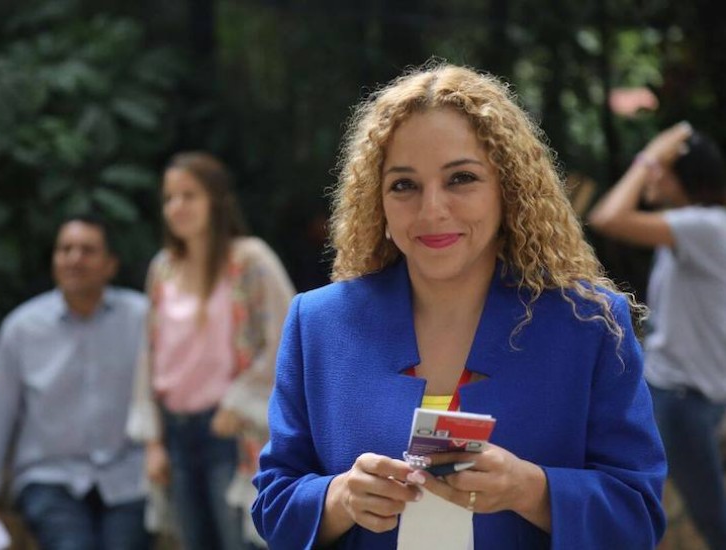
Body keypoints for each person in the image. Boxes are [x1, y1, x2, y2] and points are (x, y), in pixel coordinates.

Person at [252, 62, 668, 549]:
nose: (432, 210)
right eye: (404, 185)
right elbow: (273, 505)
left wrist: (529, 488)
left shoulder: (590, 324)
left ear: (508, 189)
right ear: (377, 200)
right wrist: (340, 498)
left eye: (461, 178)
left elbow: (637, 513)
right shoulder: (318, 324)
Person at [126, 151, 295, 549]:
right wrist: (152, 440)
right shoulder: (163, 267)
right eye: (169, 198)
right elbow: (149, 357)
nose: (177, 207)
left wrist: (239, 401)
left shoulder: (249, 260)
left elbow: (287, 336)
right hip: (176, 431)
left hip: (231, 432)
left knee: (238, 539)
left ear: (216, 200)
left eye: (189, 195)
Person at [0, 214, 152, 550]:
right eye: (65, 250)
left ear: (110, 265)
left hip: (129, 474)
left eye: (87, 250)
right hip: (49, 477)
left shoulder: (143, 318)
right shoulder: (21, 329)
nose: (74, 259)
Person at [588, 122, 726, 548]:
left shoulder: (703, 225)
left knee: (711, 522)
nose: (649, 175)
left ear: (680, 175)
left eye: (658, 168)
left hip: (679, 399)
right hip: (679, 396)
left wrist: (650, 152)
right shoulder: (695, 230)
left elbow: (607, 217)